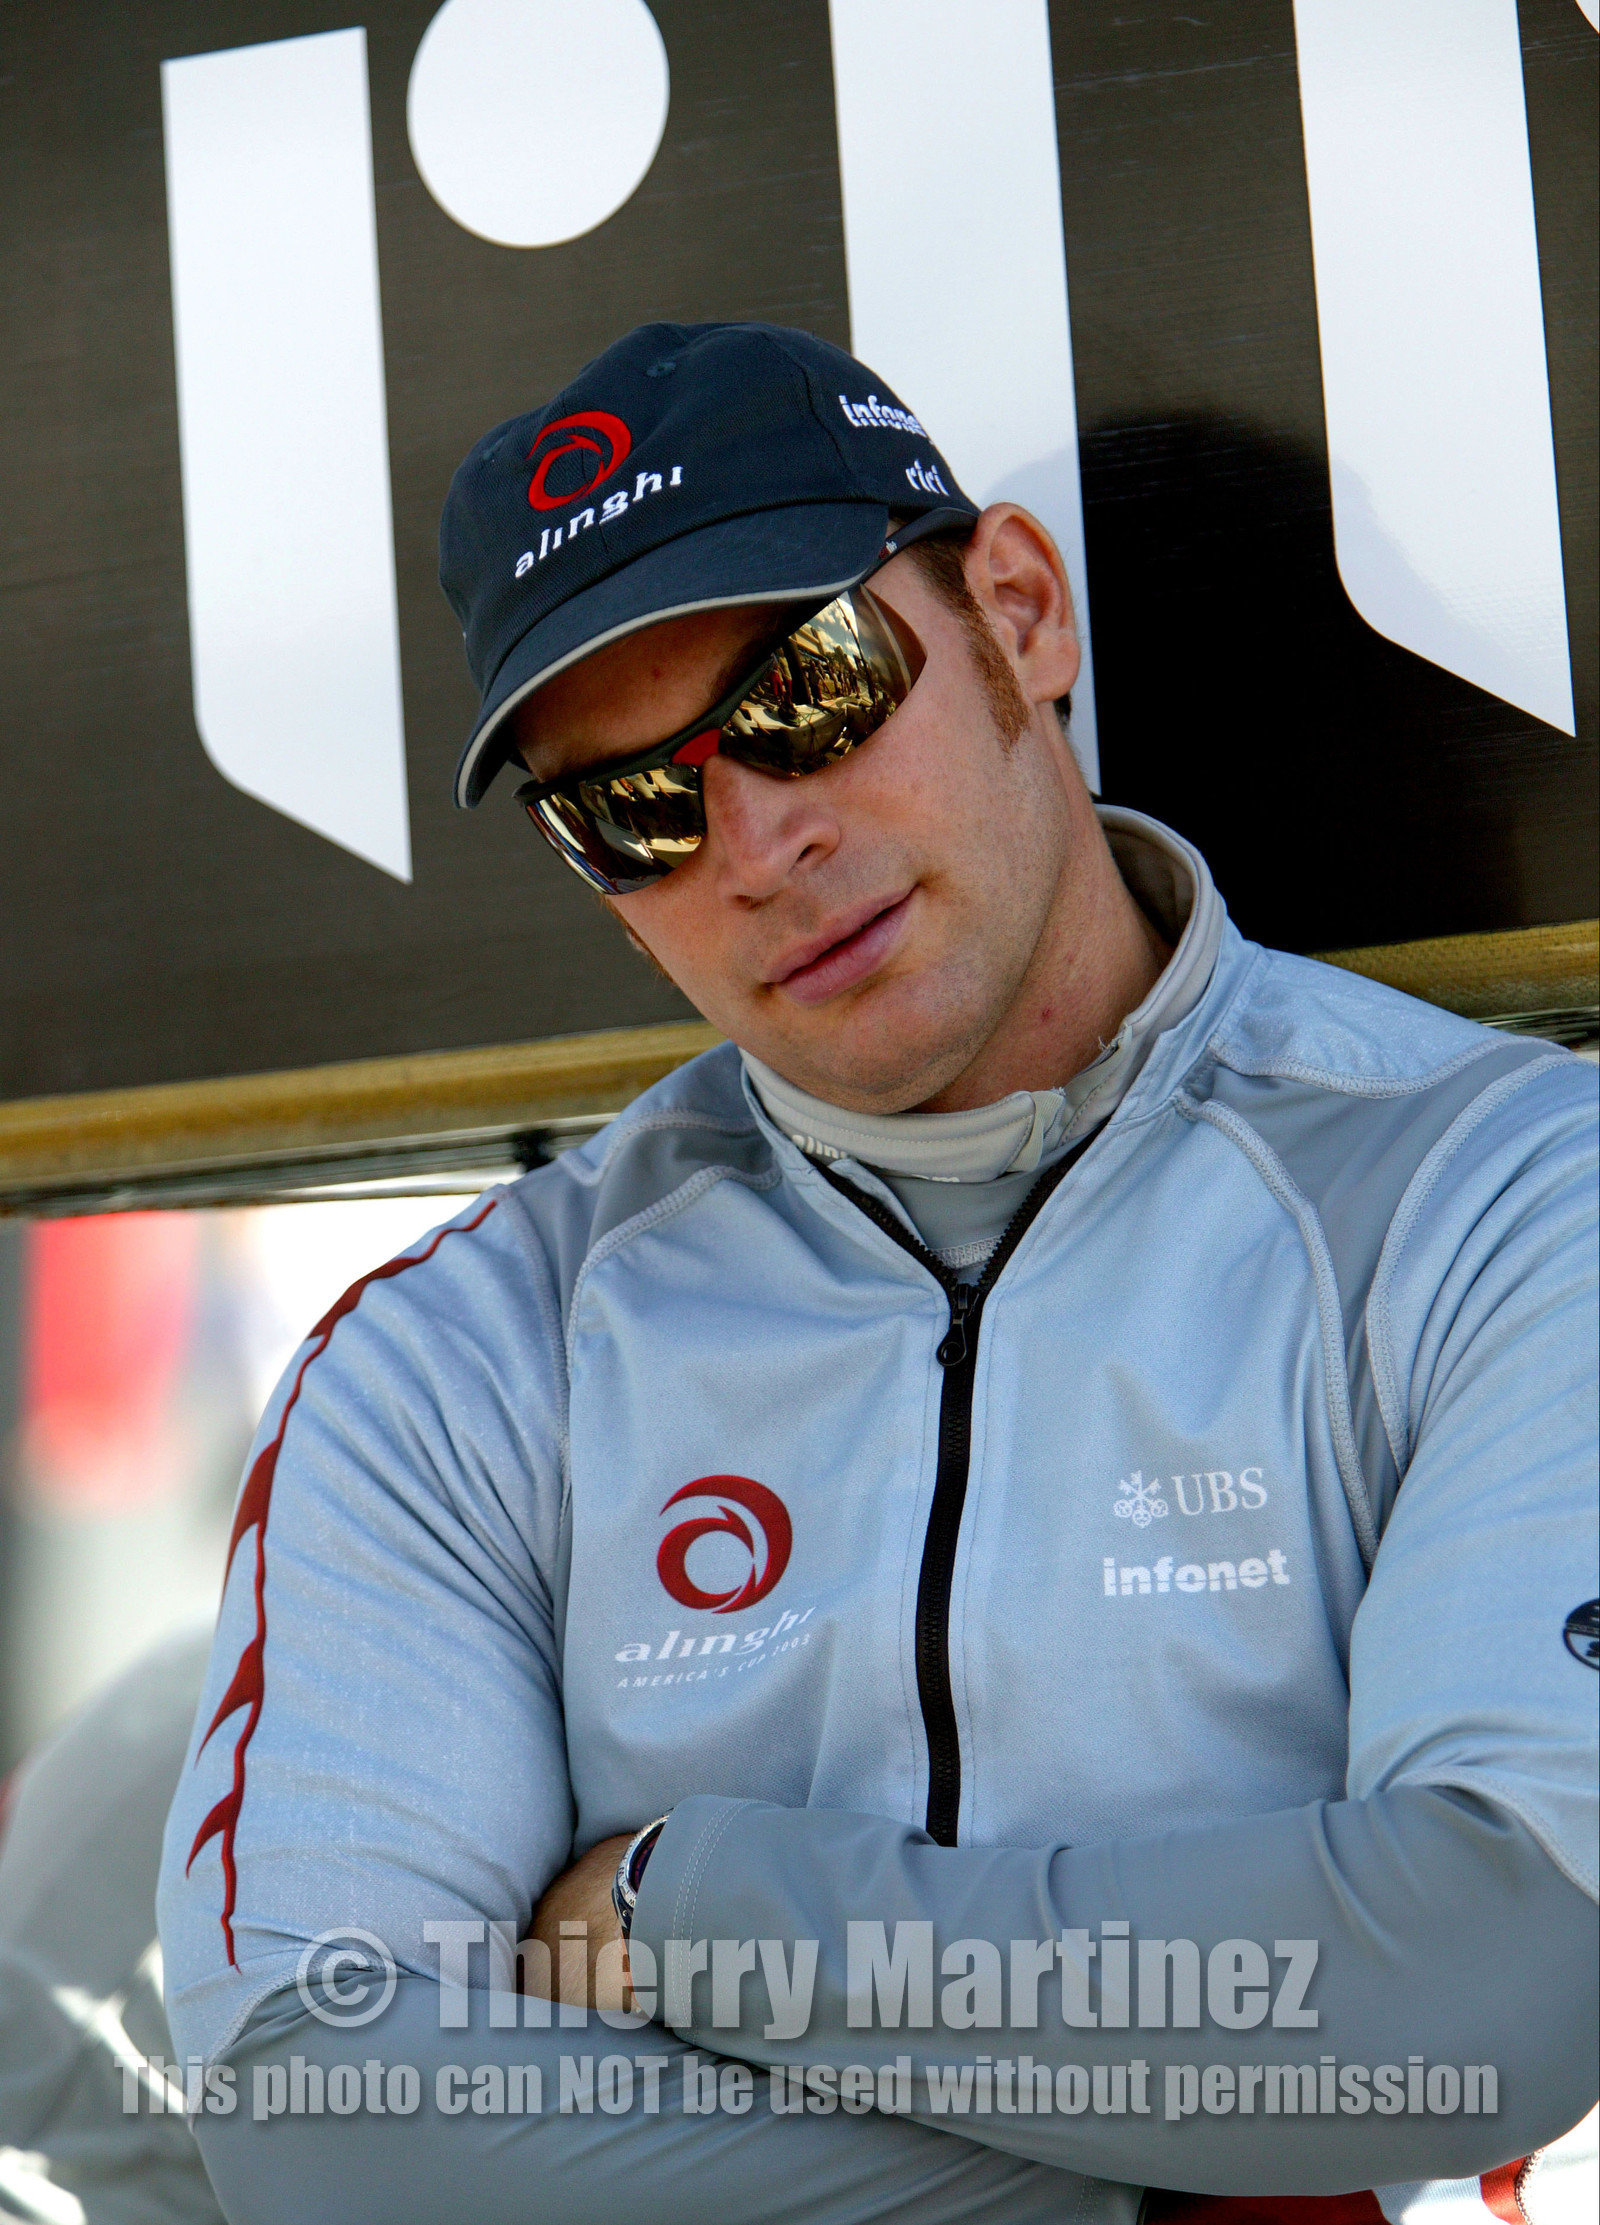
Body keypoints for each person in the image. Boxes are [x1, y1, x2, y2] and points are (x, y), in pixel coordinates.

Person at [157, 322, 1598, 2222]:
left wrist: (697, 1911)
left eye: (808, 692)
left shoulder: (1499, 1190)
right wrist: (1202, 2187)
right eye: (639, 809)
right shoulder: (457, 1360)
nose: (758, 844)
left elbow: (1499, 1981)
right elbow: (324, 2117)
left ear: (1019, 614)